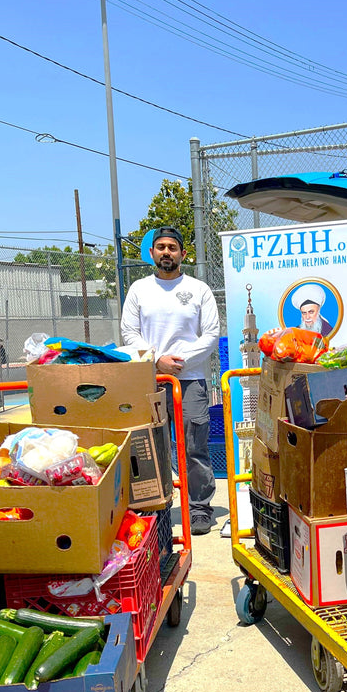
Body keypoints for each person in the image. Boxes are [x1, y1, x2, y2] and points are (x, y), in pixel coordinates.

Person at [120, 226, 220, 535]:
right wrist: (157, 360)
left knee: (194, 447)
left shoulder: (199, 290)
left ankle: (200, 508)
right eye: (160, 247)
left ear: (182, 254)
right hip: (150, 382)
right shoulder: (139, 289)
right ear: (151, 253)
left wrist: (180, 361)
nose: (166, 252)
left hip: (190, 381)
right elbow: (129, 333)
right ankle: (159, 508)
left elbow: (212, 334)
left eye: (172, 248)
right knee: (153, 448)